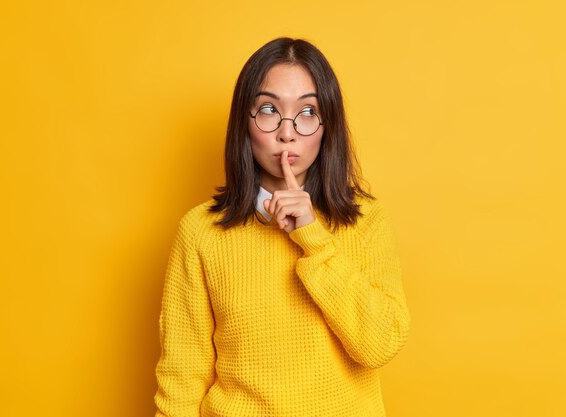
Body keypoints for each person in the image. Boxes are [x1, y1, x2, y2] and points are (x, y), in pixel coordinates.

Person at [153, 37, 410, 417]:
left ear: (328, 126)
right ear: (245, 119)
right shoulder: (200, 231)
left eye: (307, 112)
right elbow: (181, 377)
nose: (287, 132)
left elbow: (380, 343)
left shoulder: (366, 220)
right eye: (270, 109)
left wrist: (314, 239)